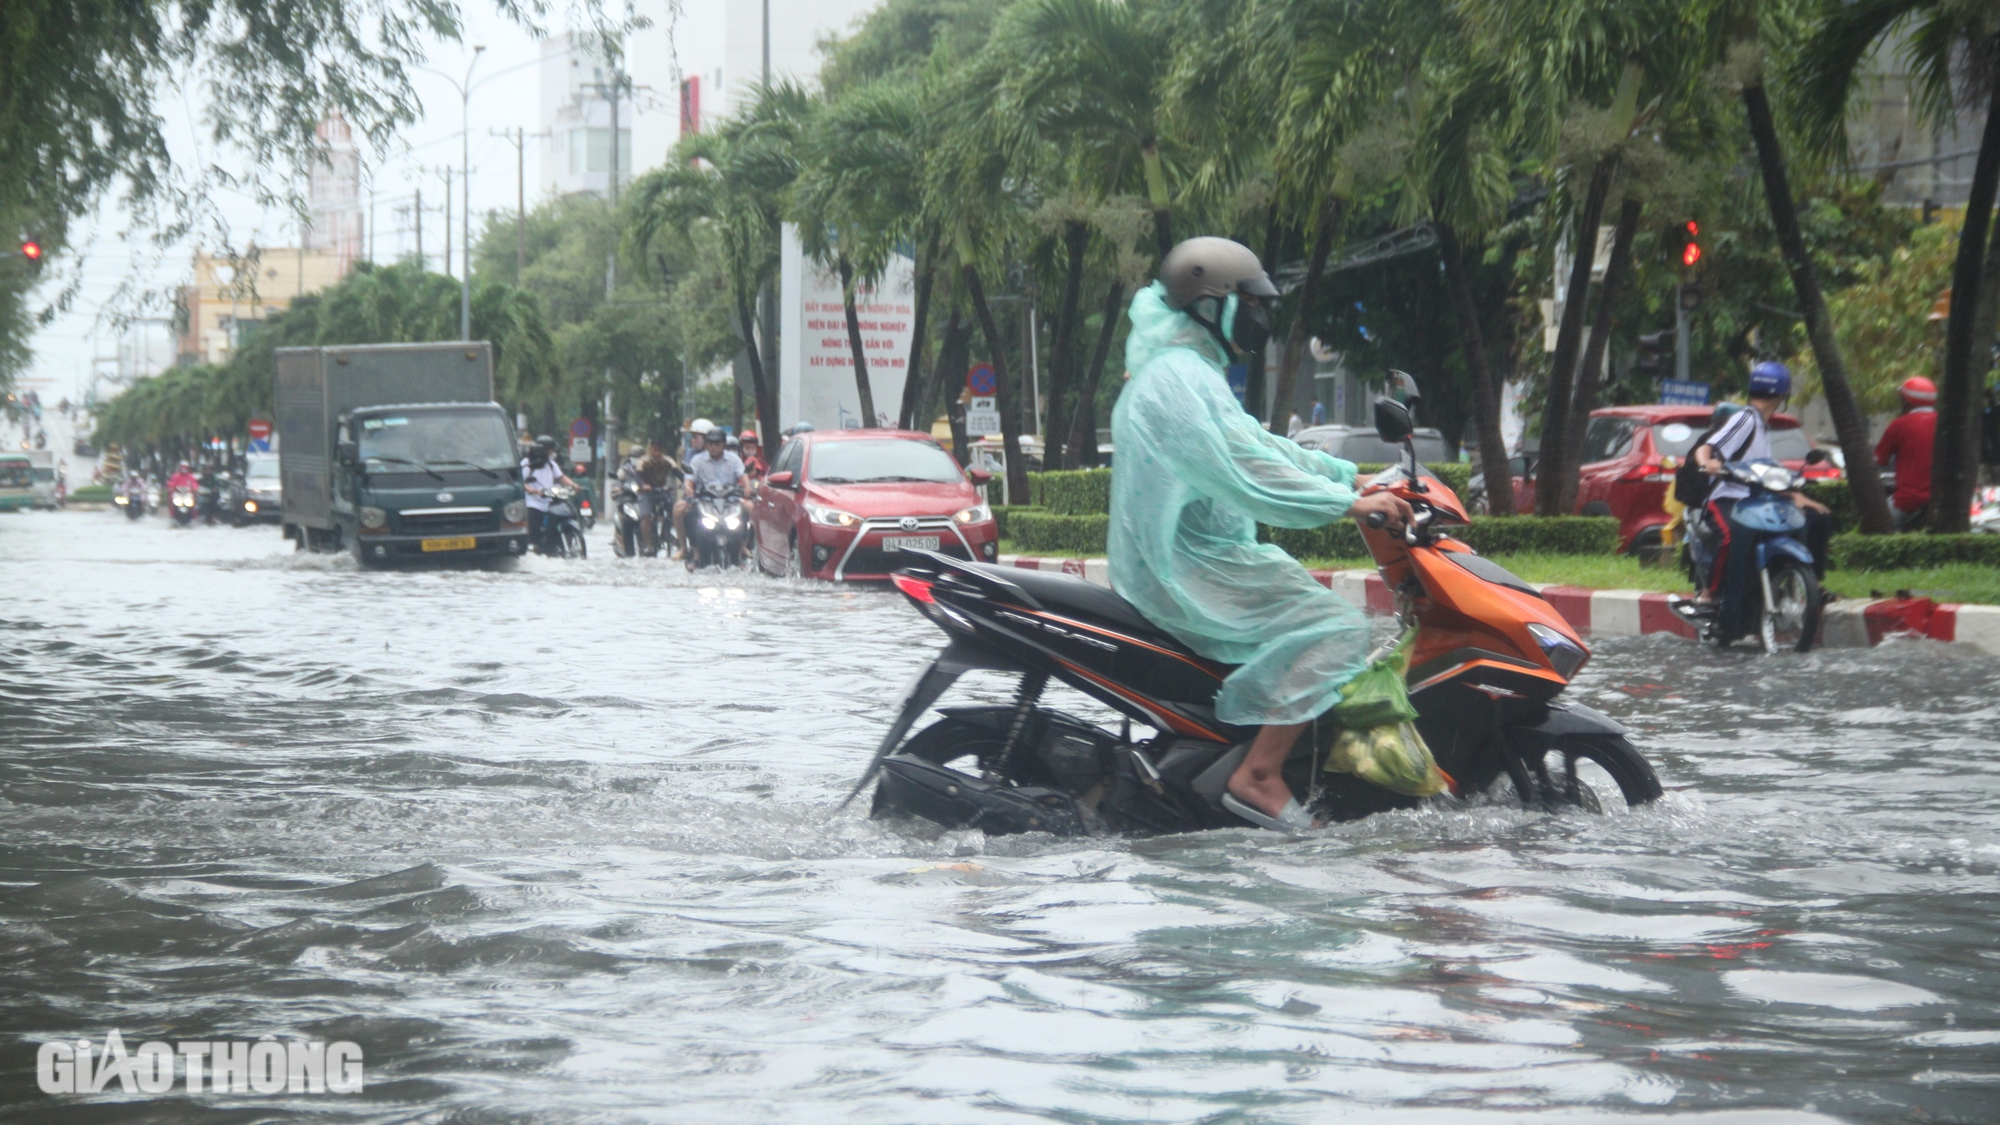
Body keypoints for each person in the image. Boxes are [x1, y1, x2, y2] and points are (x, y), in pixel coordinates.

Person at [1108, 237, 1413, 831]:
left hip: (1205, 557)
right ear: (1209, 305)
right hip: (1184, 566)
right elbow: (1242, 471)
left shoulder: (1189, 370)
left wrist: (1349, 474)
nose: (1260, 319)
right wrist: (1348, 504)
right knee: (1337, 626)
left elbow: (1258, 444)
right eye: (1250, 305)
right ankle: (1260, 776)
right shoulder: (1176, 379)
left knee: (1314, 614)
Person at [1692, 362, 1832, 639]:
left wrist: (1796, 495)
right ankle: (1709, 595)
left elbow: (1763, 474)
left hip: (1757, 499)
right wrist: (1707, 462)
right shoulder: (1745, 419)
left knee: (1817, 518)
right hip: (1727, 497)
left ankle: (1809, 583)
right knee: (1731, 537)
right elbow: (1706, 447)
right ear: (1782, 395)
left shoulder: (1762, 427)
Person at [674, 427, 752, 558]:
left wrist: (747, 488)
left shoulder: (734, 459)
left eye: (717, 444)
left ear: (723, 444)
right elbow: (689, 479)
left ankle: (743, 547)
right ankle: (686, 549)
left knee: (751, 508)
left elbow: (743, 476)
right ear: (706, 444)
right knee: (679, 509)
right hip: (704, 499)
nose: (714, 447)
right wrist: (689, 489)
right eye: (710, 444)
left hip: (730, 499)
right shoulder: (697, 460)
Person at [1874, 376, 1937, 530]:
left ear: (1907, 401)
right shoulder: (1944, 422)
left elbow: (1878, 460)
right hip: (1940, 500)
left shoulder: (1899, 424)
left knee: (1877, 529)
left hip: (1908, 500)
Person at [522, 436, 578, 552]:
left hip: (549, 501)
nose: (554, 453)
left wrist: (573, 485)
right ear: (544, 450)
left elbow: (561, 477)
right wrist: (530, 490)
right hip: (533, 503)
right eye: (552, 450)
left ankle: (556, 543)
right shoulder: (527, 463)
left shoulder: (552, 464)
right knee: (534, 532)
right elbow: (520, 481)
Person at [633, 440, 680, 555]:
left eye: (660, 451)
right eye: (655, 450)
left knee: (676, 512)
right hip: (646, 493)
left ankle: (666, 533)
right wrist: (644, 485)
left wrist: (686, 484)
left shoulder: (668, 461)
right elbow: (638, 477)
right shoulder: (643, 461)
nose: (657, 453)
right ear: (650, 450)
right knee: (646, 516)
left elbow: (678, 473)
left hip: (662, 491)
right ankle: (648, 545)